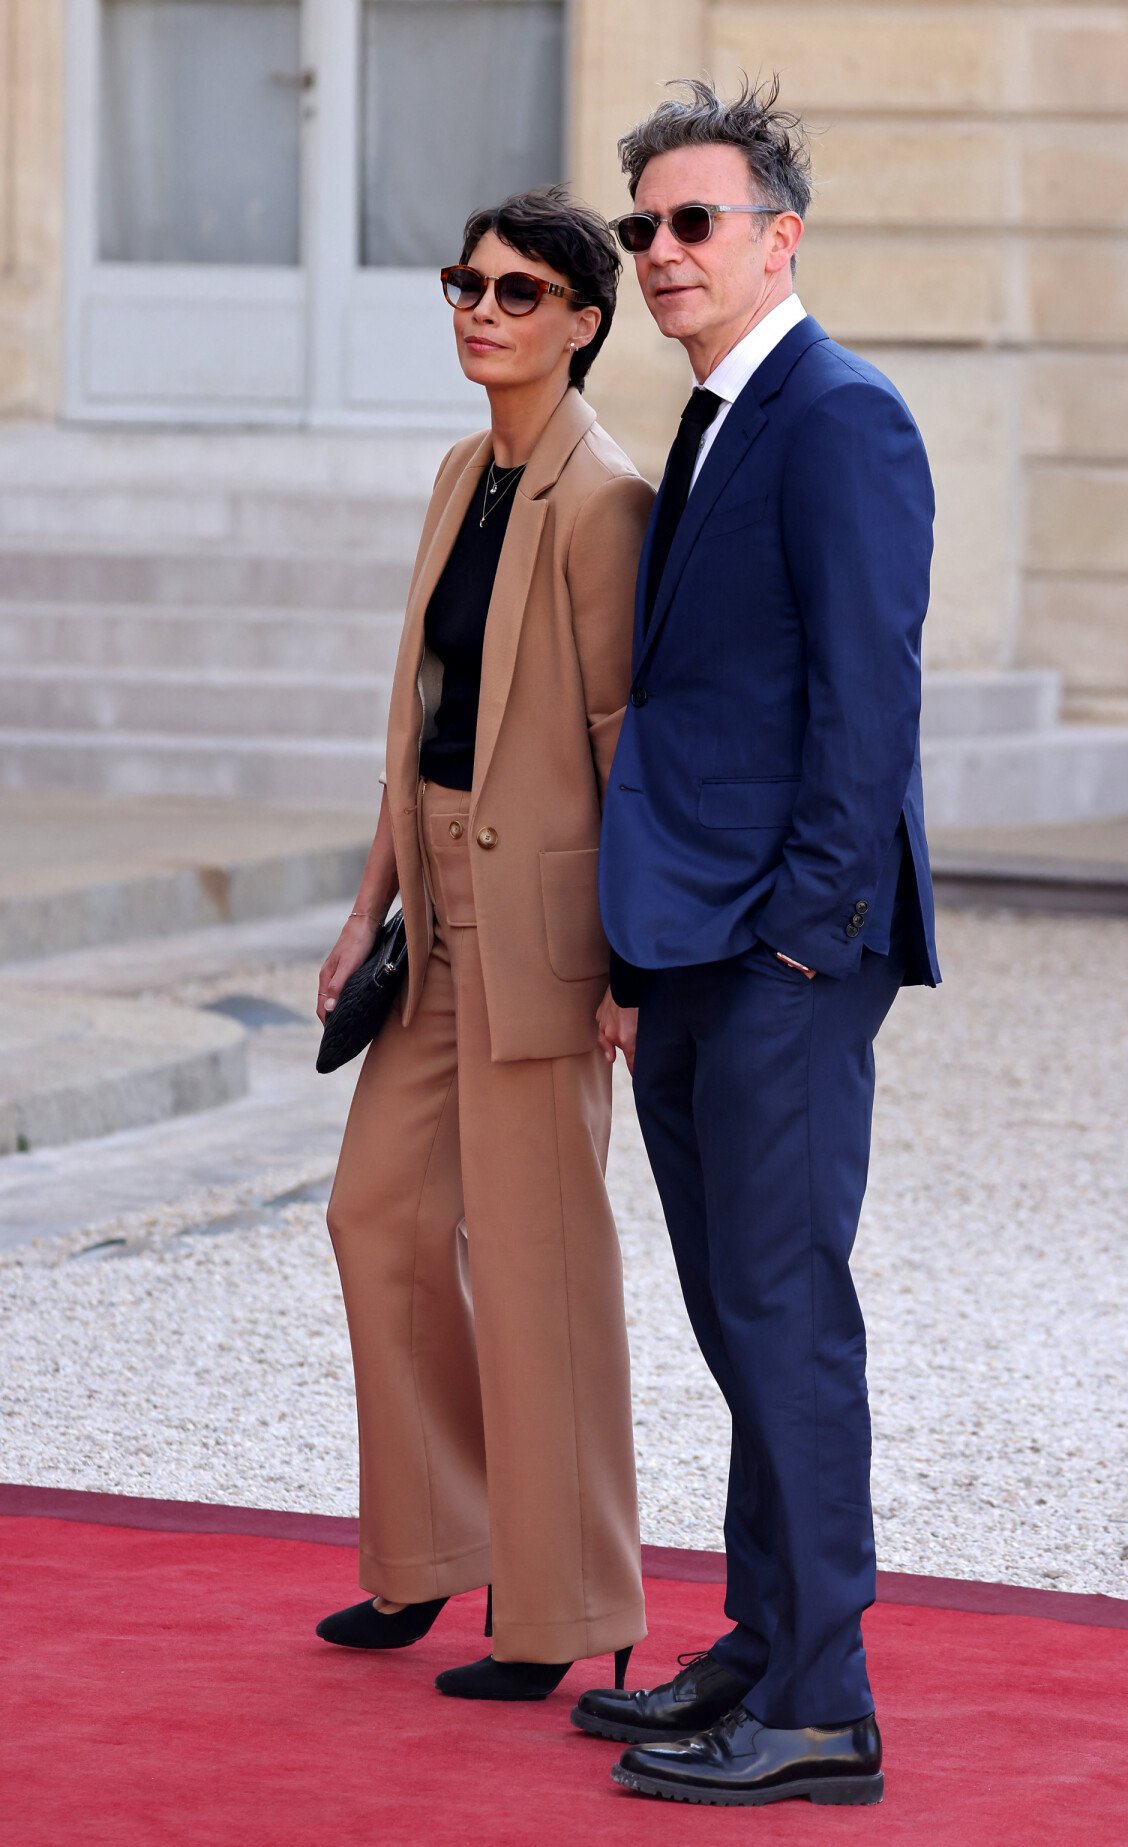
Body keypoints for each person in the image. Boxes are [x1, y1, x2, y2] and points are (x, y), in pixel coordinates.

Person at [574, 79, 940, 1806]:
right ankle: (761, 1640)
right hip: (694, 942)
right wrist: (648, 956)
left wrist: (803, 942)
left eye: (691, 221)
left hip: (782, 954)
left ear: (776, 235)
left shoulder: (840, 415)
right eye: (641, 225)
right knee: (741, 1312)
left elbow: (869, 714)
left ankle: (822, 1705)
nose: (658, 251)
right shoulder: (718, 416)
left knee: (786, 1317)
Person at [315, 188, 652, 1700]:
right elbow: (419, 717)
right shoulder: (463, 472)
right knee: (378, 1218)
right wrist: (369, 900)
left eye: (520, 294)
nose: (483, 311)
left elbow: (625, 743)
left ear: (584, 324)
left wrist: (631, 963)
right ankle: (435, 1552)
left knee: (537, 1264)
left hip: (548, 929)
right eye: (469, 284)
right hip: (438, 905)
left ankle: (571, 1605)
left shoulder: (607, 501)